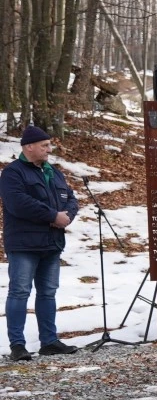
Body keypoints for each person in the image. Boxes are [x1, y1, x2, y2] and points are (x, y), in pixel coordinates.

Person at [2, 125, 80, 361]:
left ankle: (49, 341)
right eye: (44, 145)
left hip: (52, 243)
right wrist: (52, 216)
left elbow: (70, 197)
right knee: (20, 292)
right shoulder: (12, 173)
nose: (49, 149)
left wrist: (66, 216)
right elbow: (19, 203)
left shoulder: (54, 172)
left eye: (49, 145)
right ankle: (17, 345)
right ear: (29, 147)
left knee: (47, 293)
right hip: (24, 244)